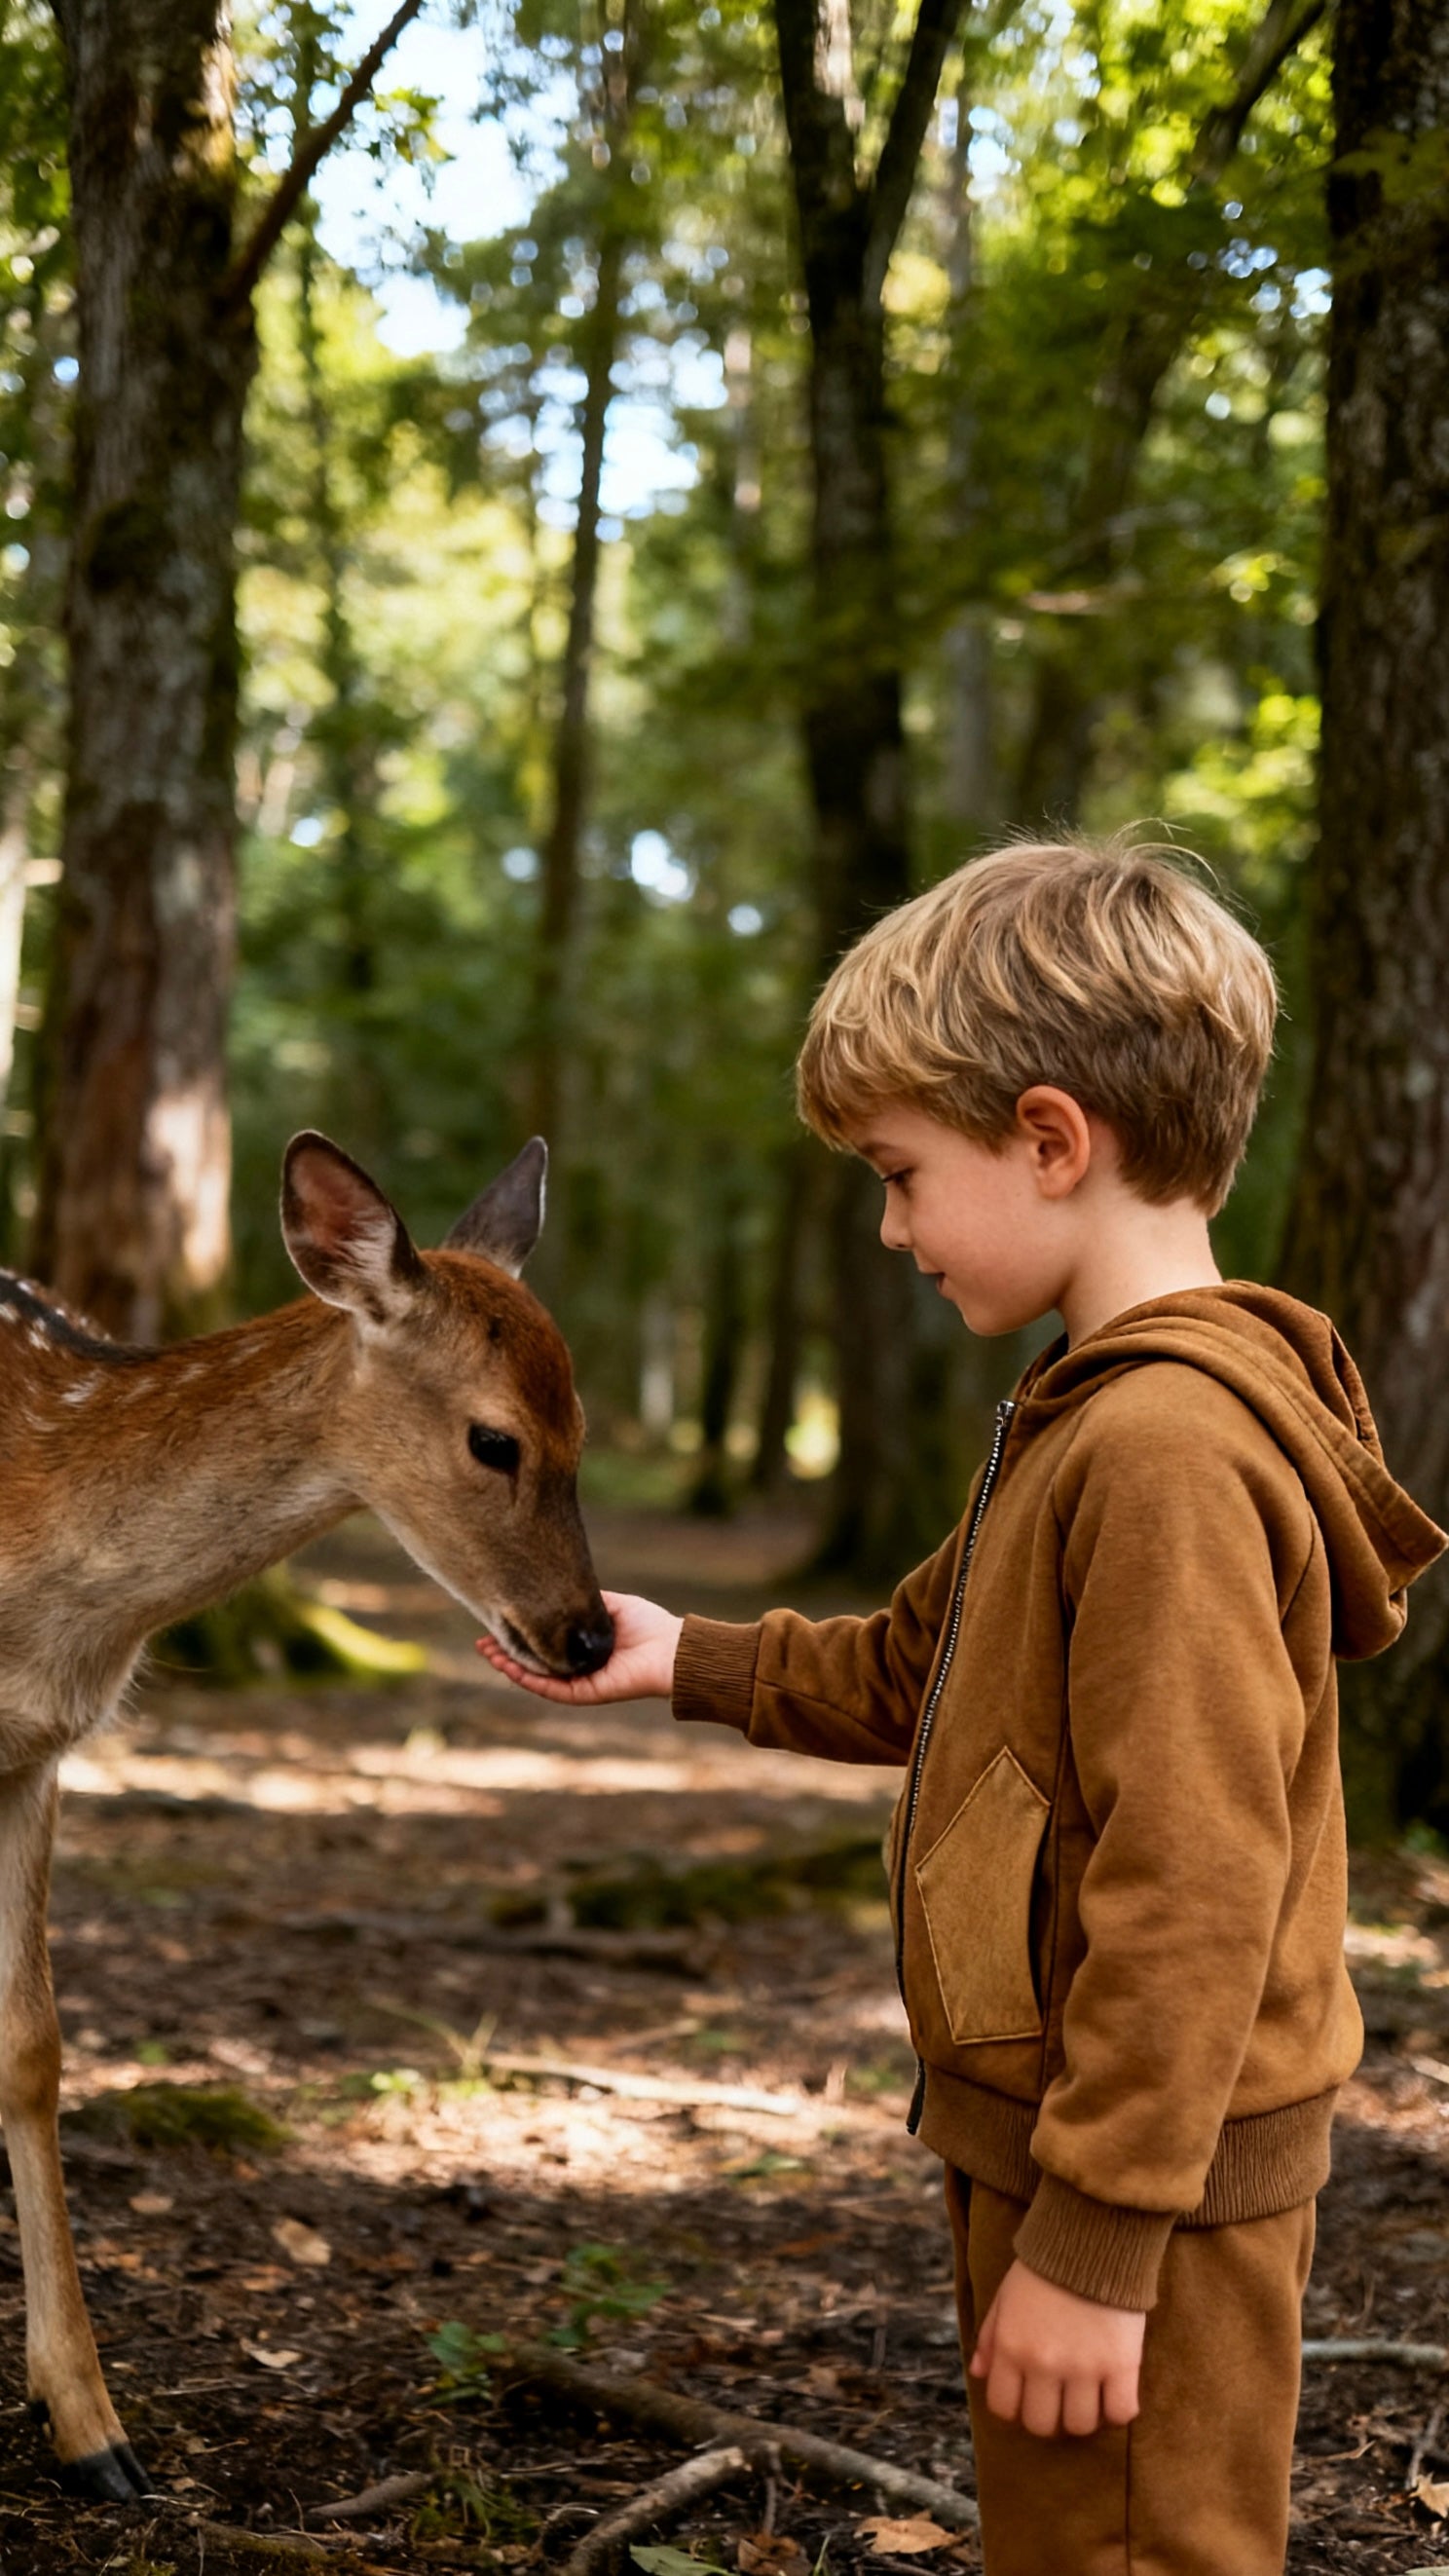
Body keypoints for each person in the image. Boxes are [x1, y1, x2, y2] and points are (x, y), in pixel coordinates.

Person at [478, 838, 1444, 2575]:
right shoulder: (1085, 1415)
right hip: (1074, 2139)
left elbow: (1197, 1877)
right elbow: (925, 1672)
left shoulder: (1166, 1454)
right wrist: (683, 1654)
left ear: (1053, 1138)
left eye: (905, 1172)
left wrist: (1095, 2243)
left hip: (1145, 2179)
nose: (892, 1223)